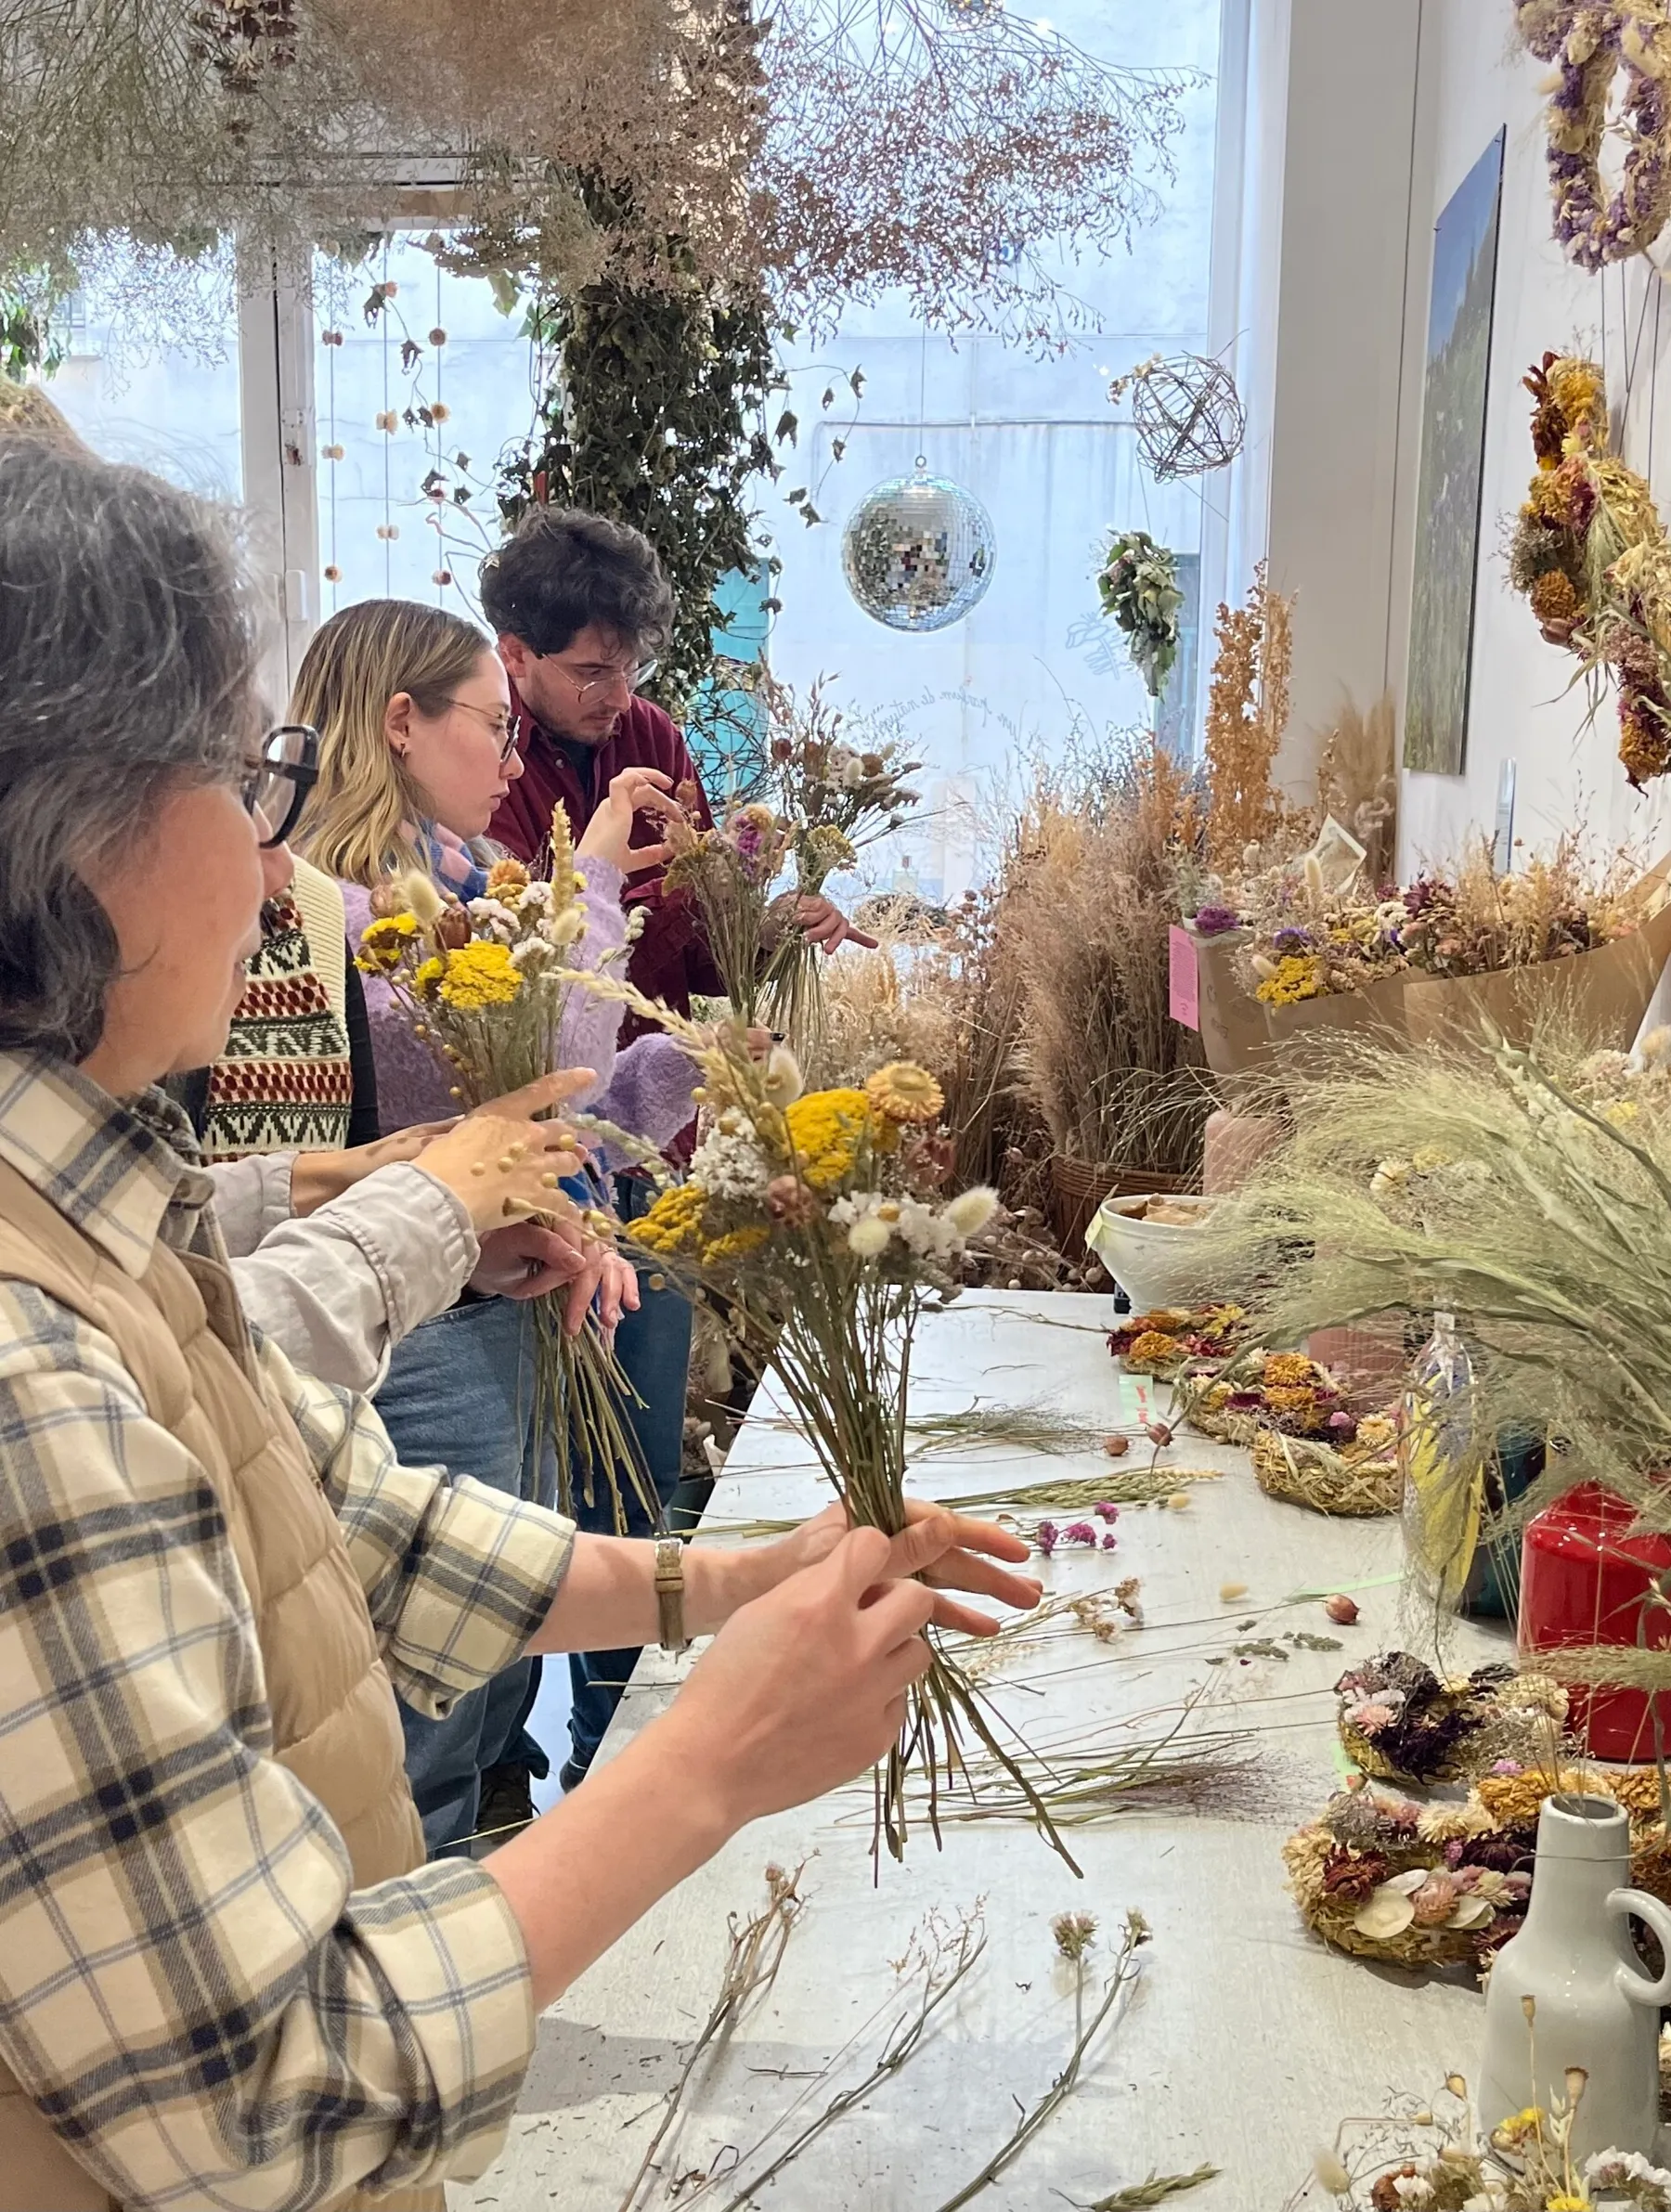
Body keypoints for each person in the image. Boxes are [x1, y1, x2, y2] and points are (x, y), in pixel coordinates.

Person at [0, 433, 1040, 2212]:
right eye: (240, 781)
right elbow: (276, 2099)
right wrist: (708, 1763)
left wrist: (735, 1583)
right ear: (73, 832)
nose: (267, 859)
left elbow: (349, 1529)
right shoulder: (29, 1369)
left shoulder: (117, 1212)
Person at [480, 508, 881, 1792]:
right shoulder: (481, 771)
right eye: (588, 670)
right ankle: (496, 1766)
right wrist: (596, 874)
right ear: (515, 654)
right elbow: (518, 997)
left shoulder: (650, 741)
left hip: (645, 1140)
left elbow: (700, 938)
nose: (617, 695)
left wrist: (771, 927)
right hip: (521, 1174)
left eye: (630, 667)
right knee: (512, 1493)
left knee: (638, 1456)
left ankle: (611, 1744)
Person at [291, 598, 700, 1852]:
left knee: (492, 1676)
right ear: (400, 723)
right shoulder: (346, 918)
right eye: (494, 726)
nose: (516, 763)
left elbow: (562, 1116)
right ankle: (419, 1924)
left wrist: (686, 1063)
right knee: (436, 1700)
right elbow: (549, 1068)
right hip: (423, 1332)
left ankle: (474, 1879)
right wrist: (593, 879)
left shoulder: (464, 889)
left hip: (498, 1306)